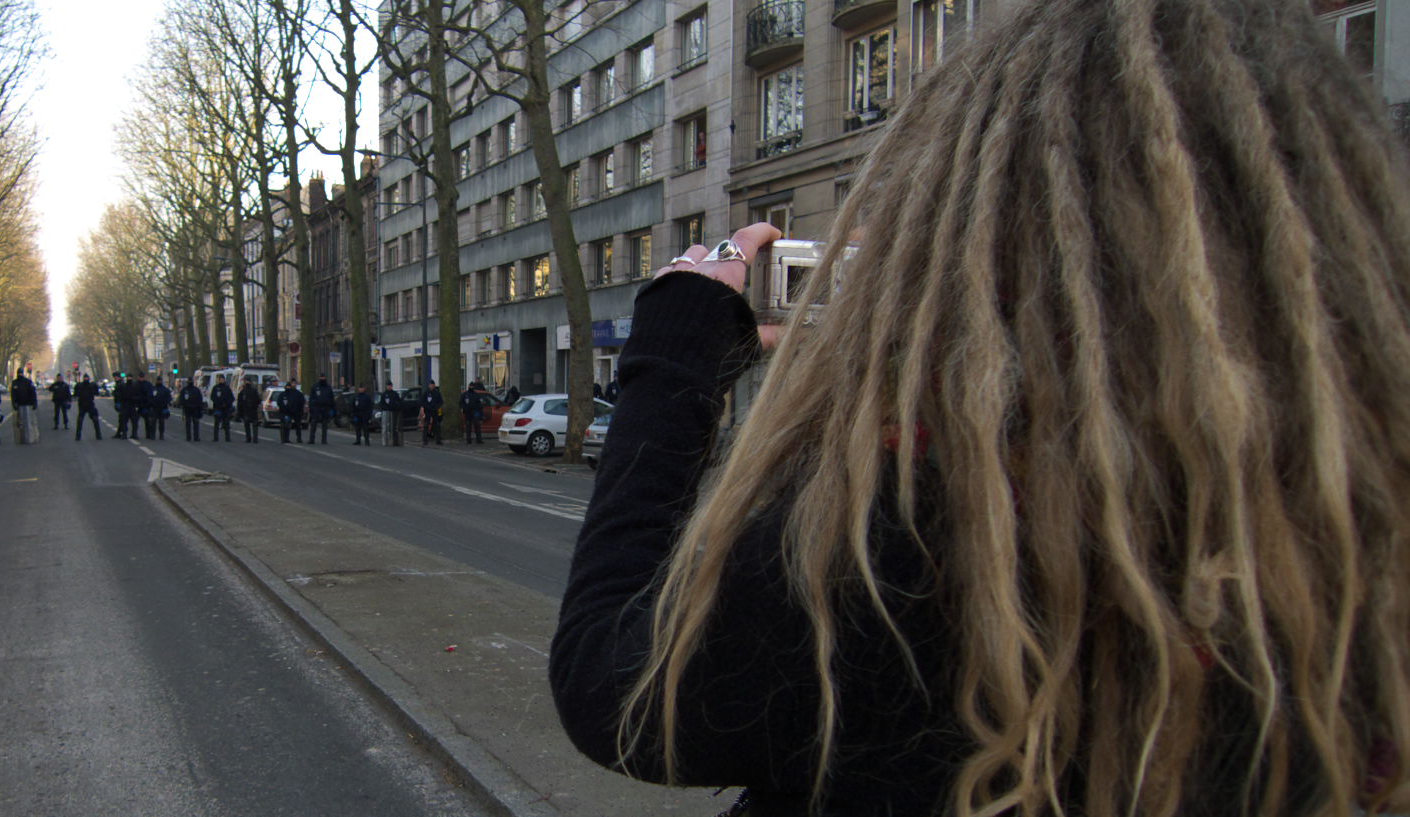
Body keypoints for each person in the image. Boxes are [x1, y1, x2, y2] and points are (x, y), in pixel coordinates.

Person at [551, 4, 1410, 817]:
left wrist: (674, 361)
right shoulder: (1349, 575)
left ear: (969, 248)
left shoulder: (892, 555)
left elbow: (612, 691)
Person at [10, 368, 37, 444]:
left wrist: (34, 403)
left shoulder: (28, 382)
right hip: (19, 405)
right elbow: (13, 395)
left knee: (28, 423)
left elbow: (32, 393)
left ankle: (29, 438)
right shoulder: (15, 383)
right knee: (19, 423)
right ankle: (20, 439)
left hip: (27, 404)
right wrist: (14, 404)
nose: (20, 375)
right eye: (19, 373)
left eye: (21, 373)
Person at [275, 379, 306, 444]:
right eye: (292, 383)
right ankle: (285, 439)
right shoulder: (285, 394)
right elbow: (281, 402)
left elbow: (302, 402)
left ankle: (299, 438)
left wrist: (301, 410)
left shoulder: (299, 393)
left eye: (294, 383)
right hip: (288, 412)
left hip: (297, 412)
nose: (293, 385)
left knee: (298, 426)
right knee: (286, 425)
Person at [73, 373, 102, 440]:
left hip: (89, 404)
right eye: (85, 378)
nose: (86, 379)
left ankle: (98, 435)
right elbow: (75, 394)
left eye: (87, 378)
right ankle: (78, 436)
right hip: (83, 405)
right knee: (80, 421)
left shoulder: (91, 385)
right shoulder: (80, 385)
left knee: (95, 419)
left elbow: (96, 393)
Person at [307, 376, 335, 444]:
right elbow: (311, 397)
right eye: (321, 377)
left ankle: (324, 440)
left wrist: (332, 407)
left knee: (325, 424)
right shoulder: (315, 386)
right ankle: (311, 439)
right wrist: (311, 407)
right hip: (316, 407)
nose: (322, 379)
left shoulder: (328, 387)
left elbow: (331, 398)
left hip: (325, 407)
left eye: (323, 377)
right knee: (314, 423)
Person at [209, 375, 235, 442]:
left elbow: (231, 398)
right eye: (220, 379)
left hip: (226, 409)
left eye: (222, 379)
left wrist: (227, 404)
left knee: (226, 424)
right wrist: (218, 403)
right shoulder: (216, 388)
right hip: (218, 408)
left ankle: (228, 438)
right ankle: (215, 438)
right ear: (218, 380)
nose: (221, 380)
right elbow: (212, 397)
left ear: (224, 380)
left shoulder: (227, 388)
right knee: (216, 424)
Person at [113, 374, 138, 439]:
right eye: (128, 377)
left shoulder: (134, 386)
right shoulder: (123, 386)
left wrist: (136, 401)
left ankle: (134, 434)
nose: (129, 379)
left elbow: (138, 395)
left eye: (130, 377)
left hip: (132, 405)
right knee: (123, 420)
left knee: (134, 421)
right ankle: (124, 433)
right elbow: (118, 394)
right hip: (125, 405)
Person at [421, 381, 445, 445]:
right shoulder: (426, 393)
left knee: (437, 425)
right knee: (426, 425)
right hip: (428, 411)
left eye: (432, 385)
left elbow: (441, 402)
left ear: (434, 385)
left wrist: (437, 407)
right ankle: (425, 440)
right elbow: (422, 402)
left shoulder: (437, 393)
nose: (431, 386)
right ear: (429, 386)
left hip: (435, 411)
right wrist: (426, 407)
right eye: (430, 385)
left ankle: (438, 440)